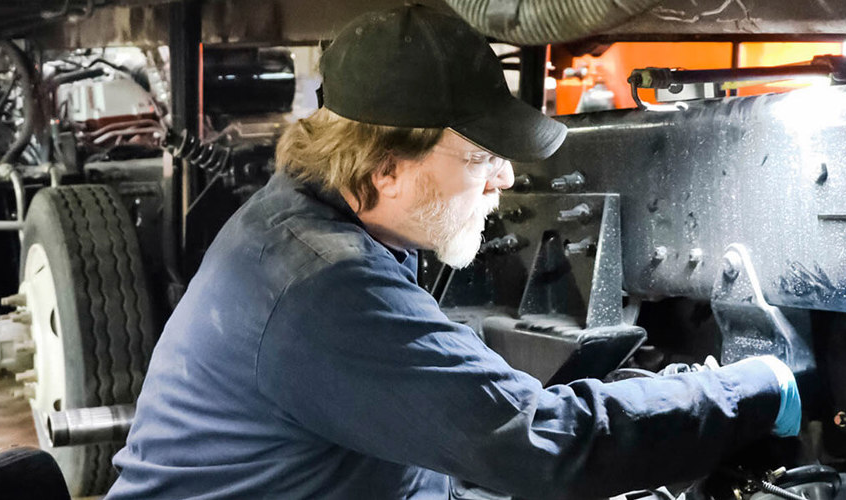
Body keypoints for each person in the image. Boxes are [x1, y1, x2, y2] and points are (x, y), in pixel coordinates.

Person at [107, 5, 801, 499]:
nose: (505, 177)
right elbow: (546, 448)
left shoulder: (312, 220)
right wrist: (755, 389)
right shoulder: (324, 287)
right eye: (480, 156)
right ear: (387, 169)